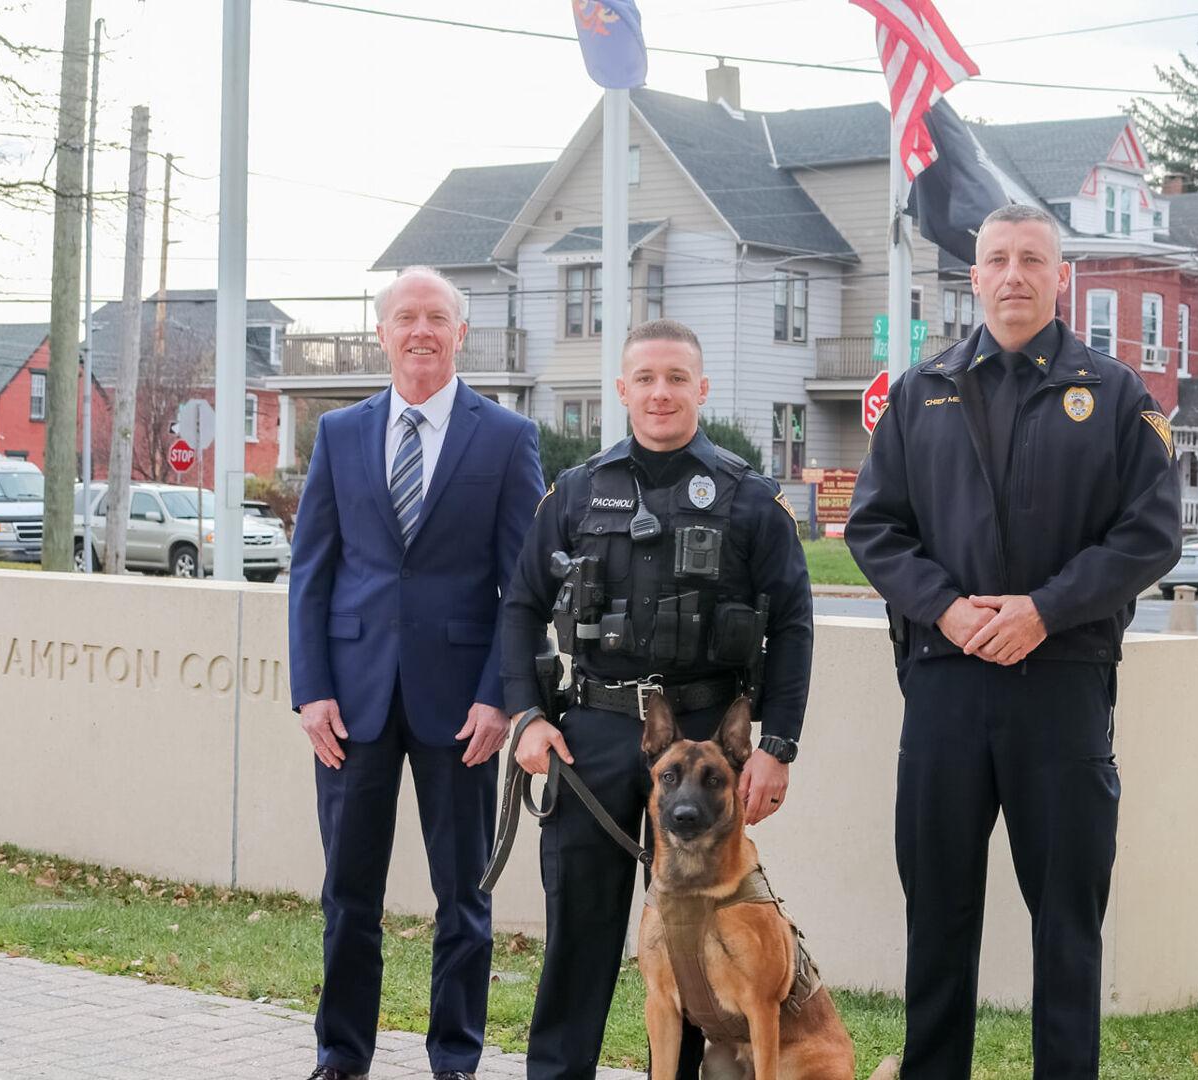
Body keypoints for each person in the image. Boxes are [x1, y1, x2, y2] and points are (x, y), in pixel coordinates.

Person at [845, 203, 1182, 1079]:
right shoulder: (922, 394)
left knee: (1067, 925)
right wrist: (948, 611)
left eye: (1032, 259)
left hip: (1061, 688)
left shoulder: (1112, 395)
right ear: (975, 276)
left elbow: (1149, 536)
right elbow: (876, 530)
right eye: (997, 259)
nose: (1013, 275)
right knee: (938, 920)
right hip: (946, 689)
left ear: (1058, 275)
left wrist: (1044, 609)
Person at [498, 318, 814, 1080]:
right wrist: (526, 716)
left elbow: (795, 622)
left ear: (702, 389)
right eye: (646, 378)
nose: (661, 392)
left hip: (706, 747)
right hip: (598, 735)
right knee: (579, 929)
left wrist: (776, 747)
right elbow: (519, 607)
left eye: (677, 378)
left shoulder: (747, 498)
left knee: (701, 950)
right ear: (622, 389)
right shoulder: (575, 492)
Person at [288, 265, 544, 1080]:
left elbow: (523, 585)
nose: (422, 331)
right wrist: (311, 689)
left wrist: (500, 697)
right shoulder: (340, 433)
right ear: (384, 332)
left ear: (460, 332)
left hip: (462, 709)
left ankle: (456, 1060)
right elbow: (311, 574)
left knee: (462, 901)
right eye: (406, 317)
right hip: (352, 704)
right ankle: (341, 1056)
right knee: (347, 897)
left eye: (437, 317)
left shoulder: (504, 438)